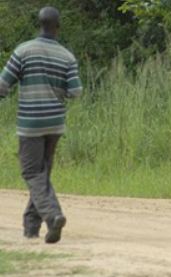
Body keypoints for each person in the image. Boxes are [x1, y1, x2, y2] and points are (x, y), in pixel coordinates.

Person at [0, 6, 82, 244]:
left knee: (31, 172)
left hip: (31, 123)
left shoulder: (23, 50)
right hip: (55, 124)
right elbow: (75, 91)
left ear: (39, 24)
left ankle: (53, 215)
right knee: (41, 174)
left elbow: (3, 85)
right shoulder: (66, 56)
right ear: (58, 27)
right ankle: (31, 228)